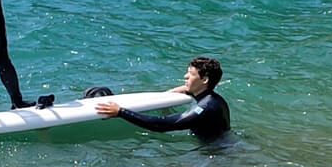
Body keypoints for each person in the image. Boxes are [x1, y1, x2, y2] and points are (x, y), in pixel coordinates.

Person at [95, 55, 231, 140]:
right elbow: (188, 90)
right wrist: (169, 94)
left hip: (216, 154)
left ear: (204, 79)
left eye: (191, 74)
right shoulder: (212, 97)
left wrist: (120, 112)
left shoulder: (205, 108)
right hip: (224, 143)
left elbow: (162, 125)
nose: (185, 76)